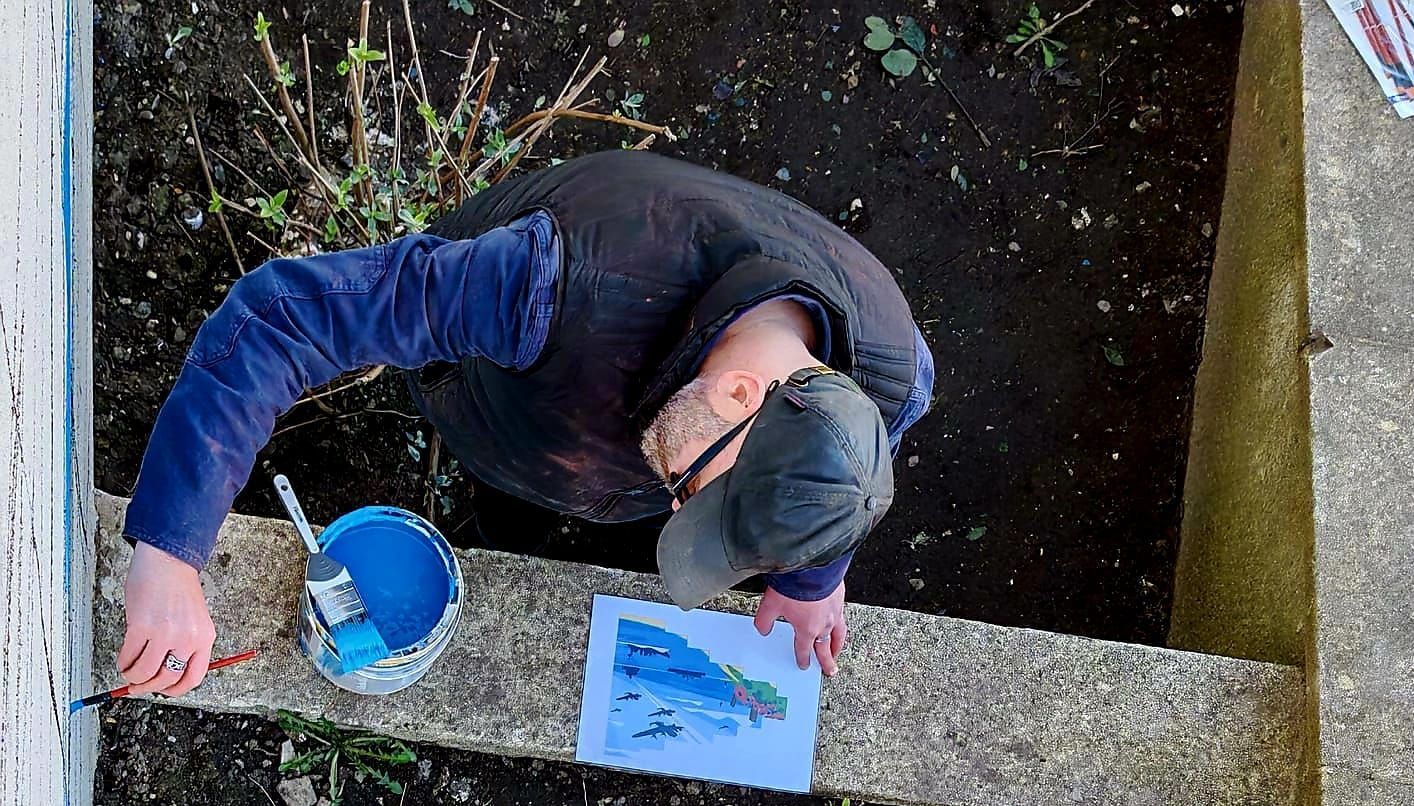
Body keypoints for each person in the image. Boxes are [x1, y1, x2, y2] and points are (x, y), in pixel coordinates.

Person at [115, 150, 934, 699]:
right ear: (739, 392)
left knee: (630, 482)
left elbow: (846, 471)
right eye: (695, 493)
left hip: (596, 431)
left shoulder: (889, 375)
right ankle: (499, 509)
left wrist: (809, 579)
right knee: (503, 493)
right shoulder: (547, 286)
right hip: (507, 395)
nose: (676, 509)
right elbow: (281, 321)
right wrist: (170, 557)